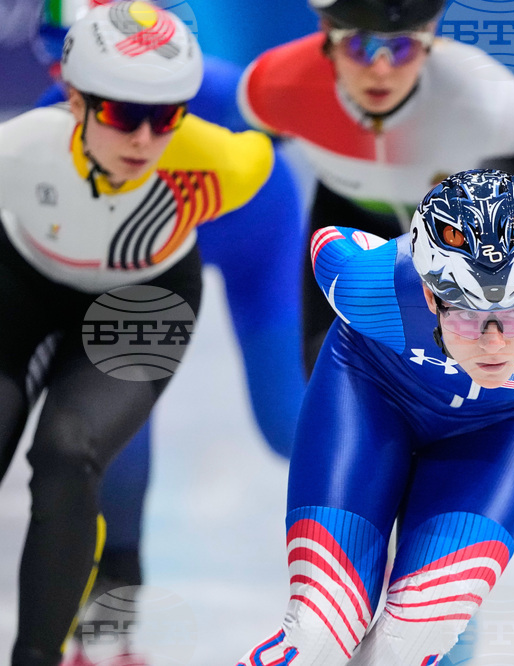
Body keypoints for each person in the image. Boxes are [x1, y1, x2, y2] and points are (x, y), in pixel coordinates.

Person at [238, 169, 514, 665]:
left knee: (413, 639)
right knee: (320, 630)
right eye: (468, 315)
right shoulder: (373, 287)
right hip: (373, 393)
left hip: (498, 428)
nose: (493, 343)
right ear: (429, 296)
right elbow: (332, 241)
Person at [0, 3, 274, 664]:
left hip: (142, 302)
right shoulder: (23, 149)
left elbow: (265, 154)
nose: (145, 139)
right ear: (75, 99)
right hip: (24, 285)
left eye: (166, 117)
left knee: (68, 453)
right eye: (124, 114)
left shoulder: (217, 164)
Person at [237, 0, 514, 372]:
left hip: (459, 232)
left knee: (468, 371)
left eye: (401, 48)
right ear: (327, 37)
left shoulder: (482, 97)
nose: (380, 69)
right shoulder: (275, 84)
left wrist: (484, 181)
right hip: (346, 213)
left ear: (429, 39)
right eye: (359, 46)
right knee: (329, 367)